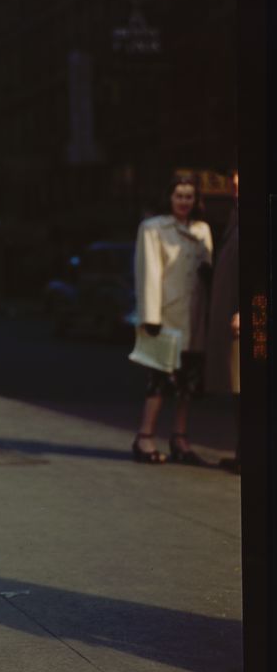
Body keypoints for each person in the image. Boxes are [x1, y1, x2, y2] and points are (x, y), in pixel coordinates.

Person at [131, 171, 213, 464]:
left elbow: (207, 269)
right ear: (169, 197)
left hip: (194, 316)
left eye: (189, 196)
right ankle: (144, 437)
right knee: (159, 379)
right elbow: (148, 273)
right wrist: (150, 316)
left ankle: (180, 438)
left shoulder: (202, 229)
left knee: (187, 383)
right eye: (179, 196)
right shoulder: (153, 228)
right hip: (165, 316)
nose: (184, 202)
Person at [205, 170, 240, 473]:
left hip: (247, 318)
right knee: (239, 391)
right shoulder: (235, 215)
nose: (236, 187)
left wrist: (247, 311)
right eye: (234, 182)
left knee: (248, 391)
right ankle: (242, 451)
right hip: (233, 316)